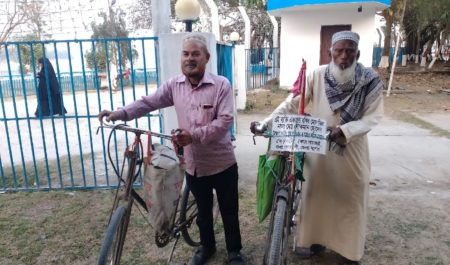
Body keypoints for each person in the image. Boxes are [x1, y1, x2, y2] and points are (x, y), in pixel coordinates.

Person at [98, 33, 245, 265]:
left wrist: (193, 136)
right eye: (185, 54)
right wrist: (120, 114)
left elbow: (225, 121)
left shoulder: (221, 86)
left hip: (222, 162)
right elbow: (148, 102)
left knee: (229, 211)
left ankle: (234, 251)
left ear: (206, 58)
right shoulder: (174, 86)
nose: (189, 58)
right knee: (203, 214)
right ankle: (207, 247)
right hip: (194, 165)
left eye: (195, 54)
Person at [250, 31, 384, 265]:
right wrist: (266, 122)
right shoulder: (317, 75)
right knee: (317, 195)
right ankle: (315, 241)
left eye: (349, 51)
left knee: (350, 199)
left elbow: (372, 118)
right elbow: (293, 102)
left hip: (351, 149)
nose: (344, 56)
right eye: (339, 50)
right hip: (319, 148)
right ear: (330, 52)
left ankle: (349, 251)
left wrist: (345, 131)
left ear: (358, 54)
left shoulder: (370, 80)